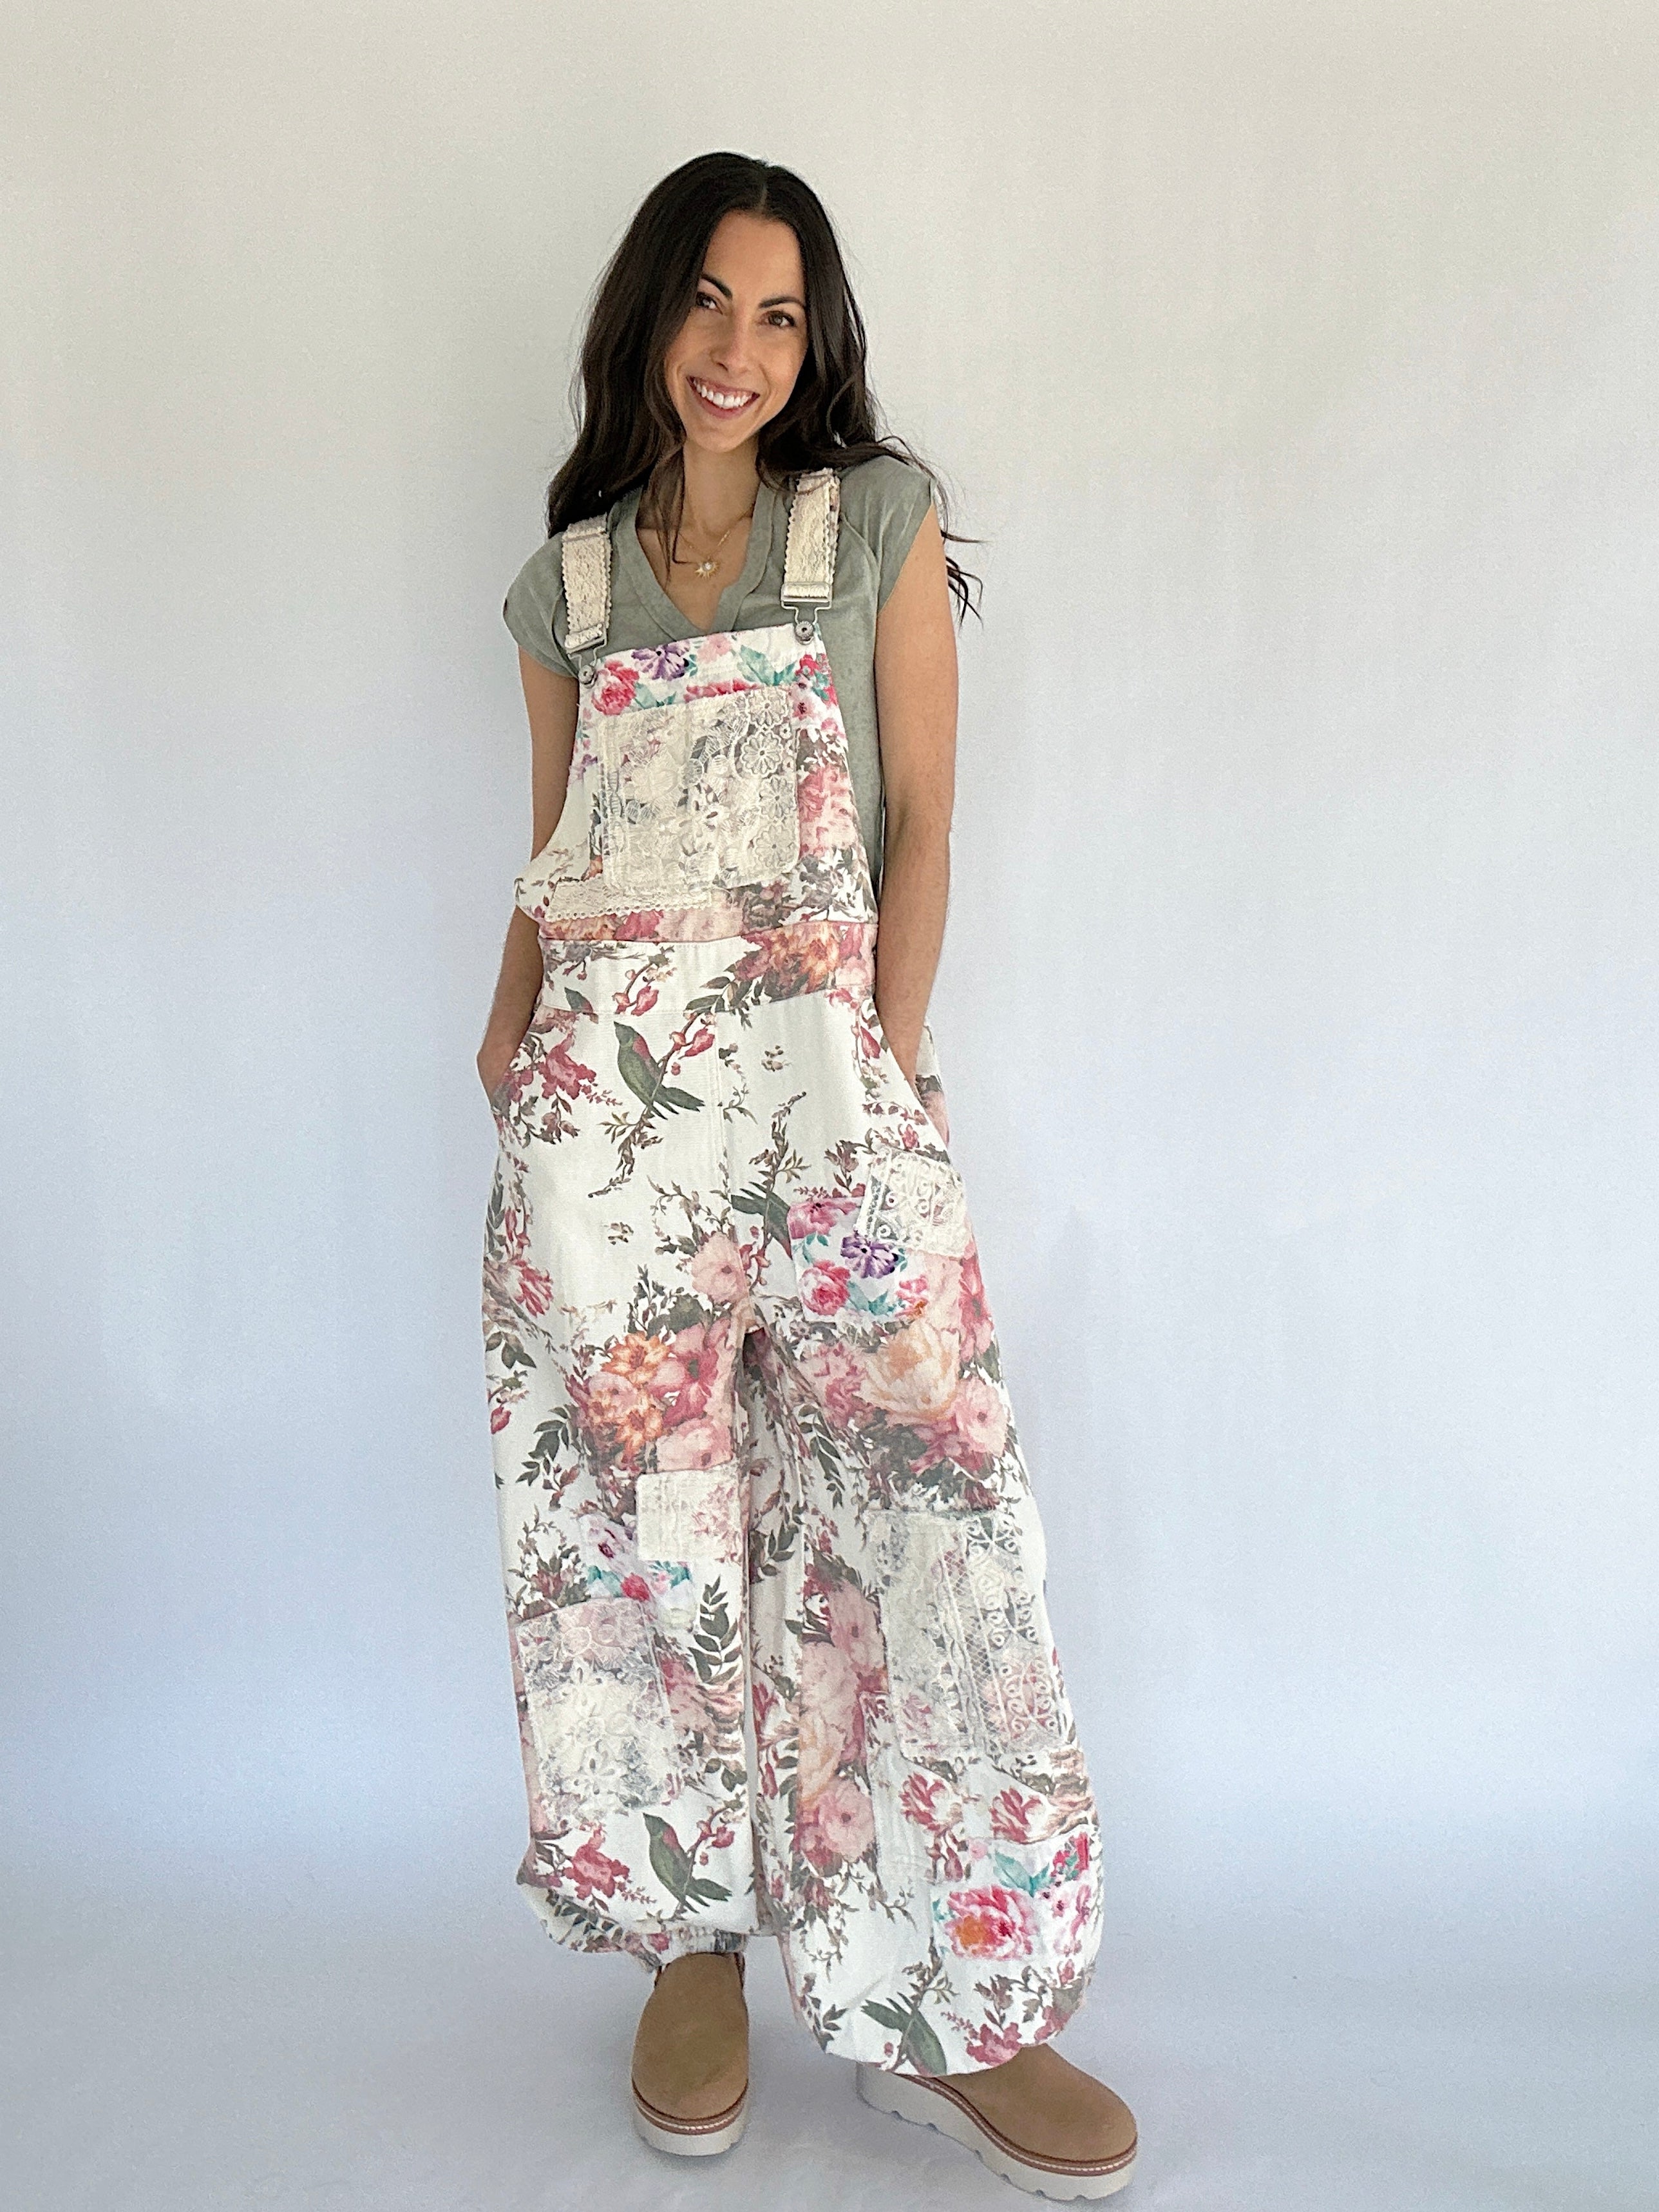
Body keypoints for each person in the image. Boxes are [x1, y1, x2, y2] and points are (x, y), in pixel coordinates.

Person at [477, 151, 1138, 2200]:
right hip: (606, 1135)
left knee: (926, 1522)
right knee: (639, 1541)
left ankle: (961, 1997)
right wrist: (504, 1035)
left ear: (813, 341)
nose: (736, 351)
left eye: (777, 315)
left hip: (833, 1112)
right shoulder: (568, 584)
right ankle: (691, 1944)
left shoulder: (876, 525)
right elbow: (556, 838)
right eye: (704, 303)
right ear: (646, 320)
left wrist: (889, 1071)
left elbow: (922, 819)